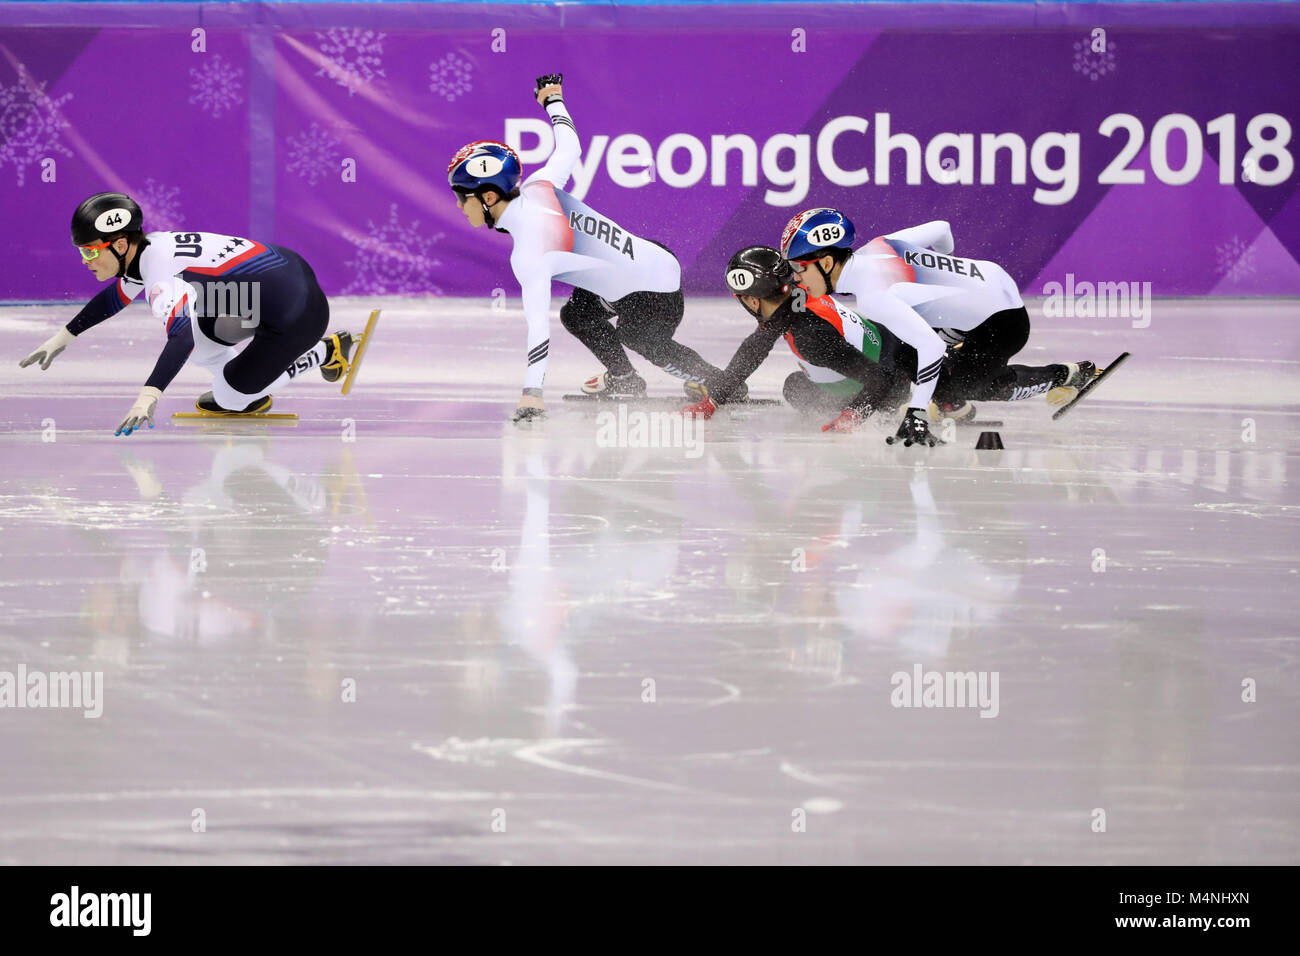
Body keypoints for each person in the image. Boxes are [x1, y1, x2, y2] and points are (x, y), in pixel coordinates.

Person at [447, 73, 724, 424]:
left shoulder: (529, 252)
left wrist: (532, 393)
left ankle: (719, 382)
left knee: (636, 336)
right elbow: (571, 148)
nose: (458, 206)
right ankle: (625, 380)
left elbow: (537, 327)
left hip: (653, 295)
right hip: (654, 259)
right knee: (577, 313)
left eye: (462, 197)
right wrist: (554, 101)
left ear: (488, 197)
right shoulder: (538, 185)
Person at [19, 192, 356, 434]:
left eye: (90, 251)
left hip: (298, 313)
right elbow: (117, 297)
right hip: (274, 285)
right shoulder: (151, 247)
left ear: (120, 245)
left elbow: (180, 338)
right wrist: (64, 336)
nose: (85, 261)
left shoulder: (160, 278)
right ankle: (248, 381)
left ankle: (324, 351)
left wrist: (147, 397)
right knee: (205, 340)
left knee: (229, 396)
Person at [780, 210, 1097, 446]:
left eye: (798, 268)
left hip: (1002, 323)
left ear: (825, 263)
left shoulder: (874, 297)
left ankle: (1068, 375)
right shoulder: (877, 247)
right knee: (902, 352)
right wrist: (953, 283)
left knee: (975, 385)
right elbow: (941, 229)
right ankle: (947, 396)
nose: (796, 279)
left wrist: (915, 414)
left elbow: (931, 346)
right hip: (994, 279)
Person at [682, 246, 911, 425]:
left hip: (886, 387)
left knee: (796, 388)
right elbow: (756, 347)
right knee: (795, 385)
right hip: (891, 356)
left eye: (739, 298)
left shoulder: (809, 336)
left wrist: (852, 416)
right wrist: (714, 400)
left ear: (752, 300)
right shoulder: (797, 296)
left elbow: (881, 379)